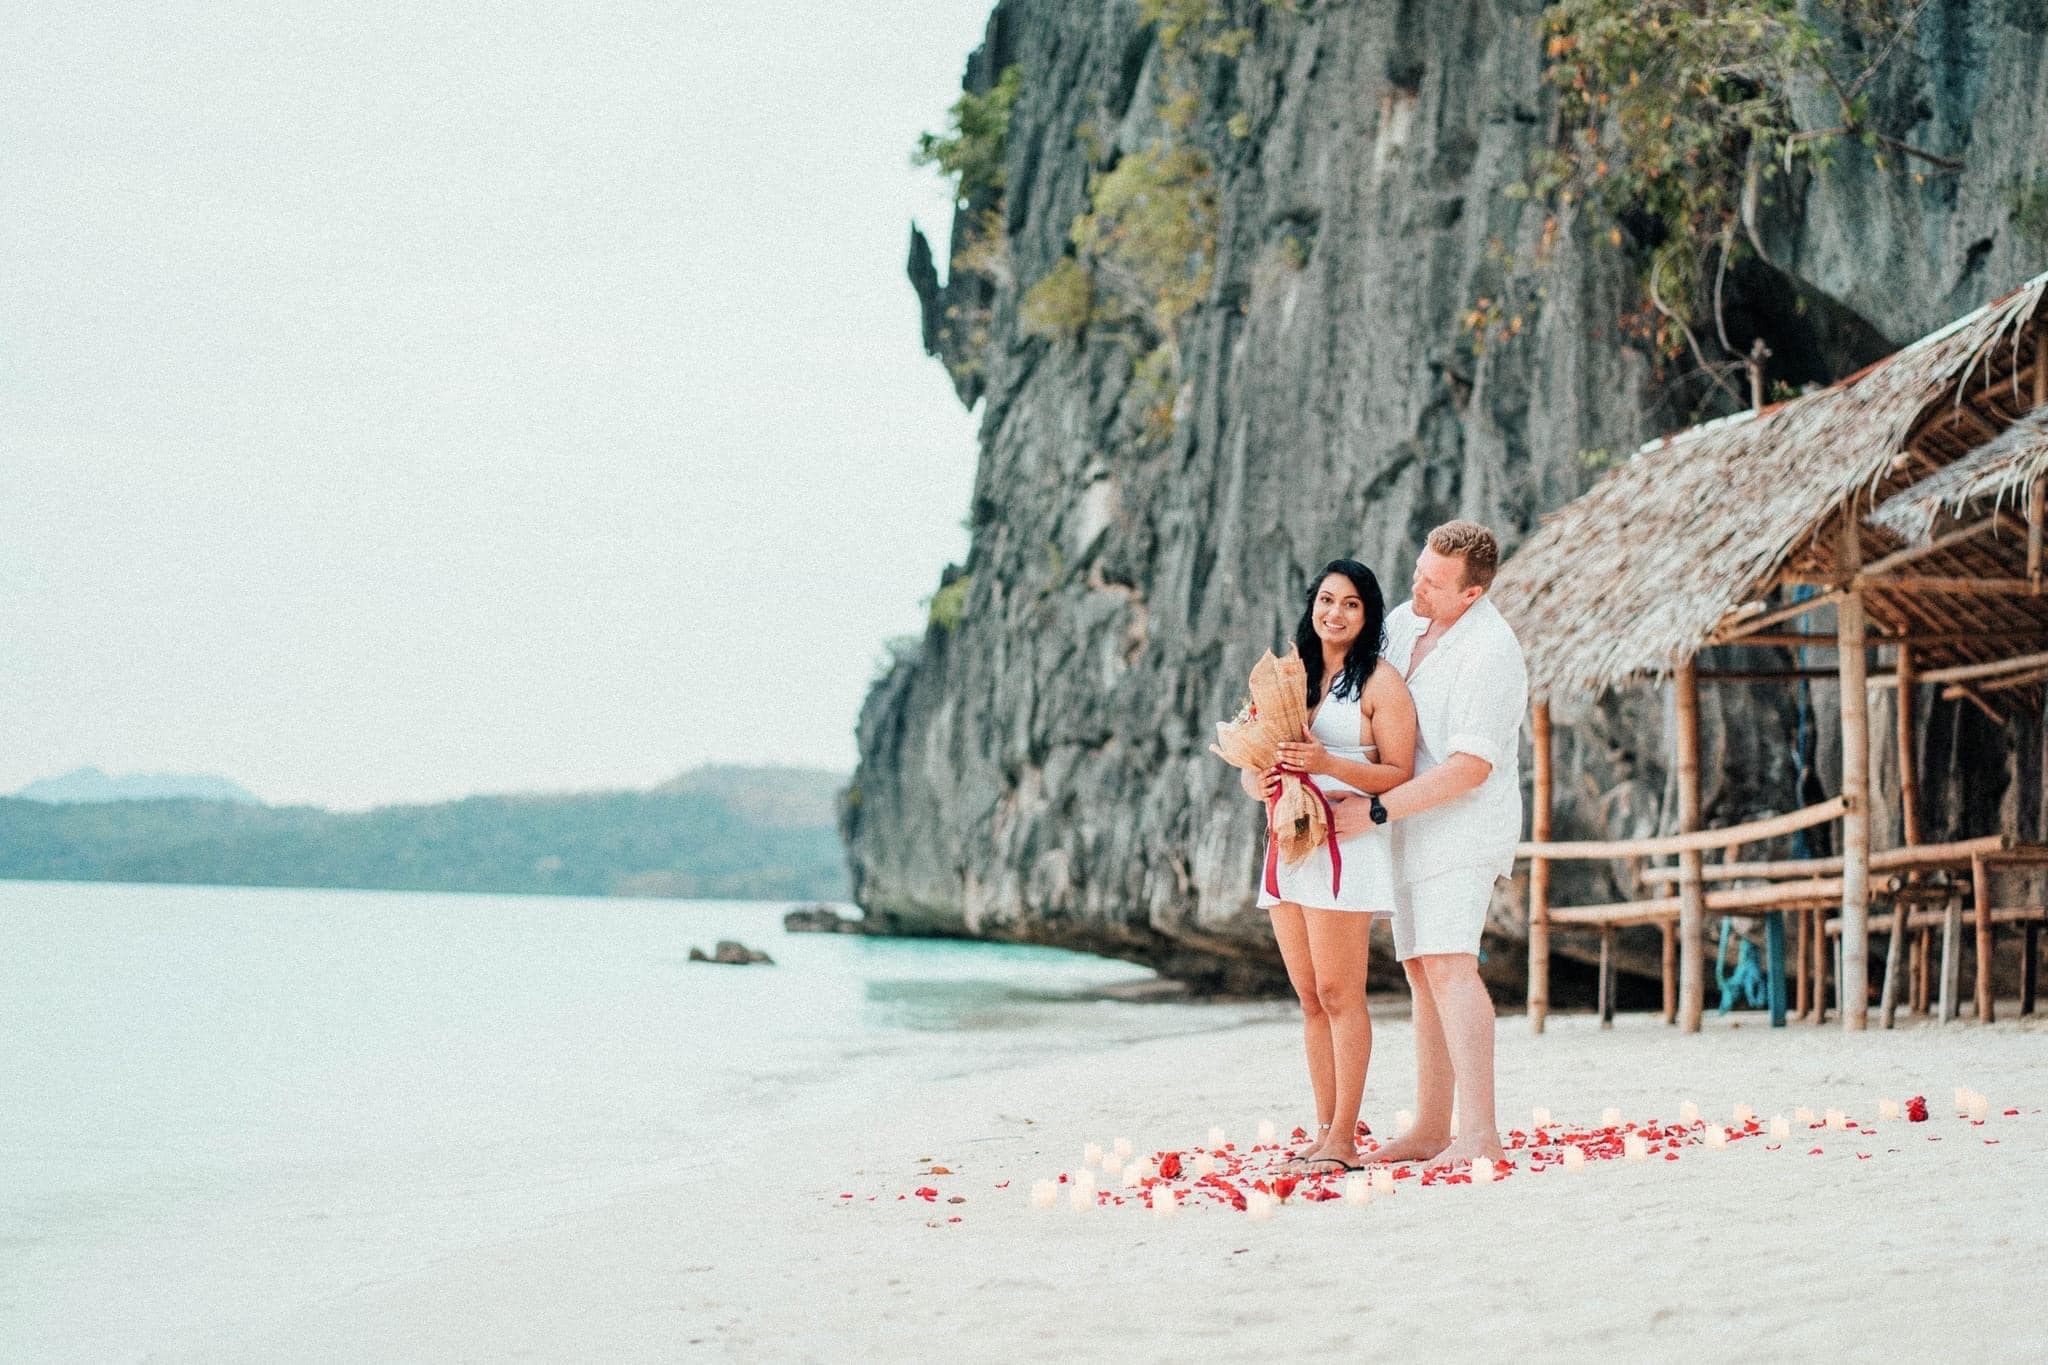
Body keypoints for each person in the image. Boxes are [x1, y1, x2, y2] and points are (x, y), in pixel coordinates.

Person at [1329, 520, 1527, 1171]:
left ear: (1471, 593)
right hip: (1408, 825)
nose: (1418, 585)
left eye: (1435, 582)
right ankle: (1431, 1124)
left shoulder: (1491, 651)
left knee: (1449, 963)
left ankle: (1481, 1133)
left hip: (1463, 824)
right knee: (1419, 969)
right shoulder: (1403, 626)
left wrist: (1377, 807)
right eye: (1417, 570)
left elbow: (1471, 767)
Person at [1241, 559, 1415, 1174]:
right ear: (1311, 604)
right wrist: (1258, 778)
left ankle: (1345, 1137)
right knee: (1310, 996)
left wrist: (1329, 762)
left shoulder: (1380, 683)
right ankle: (1322, 1129)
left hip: (1347, 845)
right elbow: (1251, 763)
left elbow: (1400, 772)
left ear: (1367, 616)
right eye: (1325, 599)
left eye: (1349, 604)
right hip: (1289, 847)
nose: (1333, 613)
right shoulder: (1290, 677)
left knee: (1342, 993)